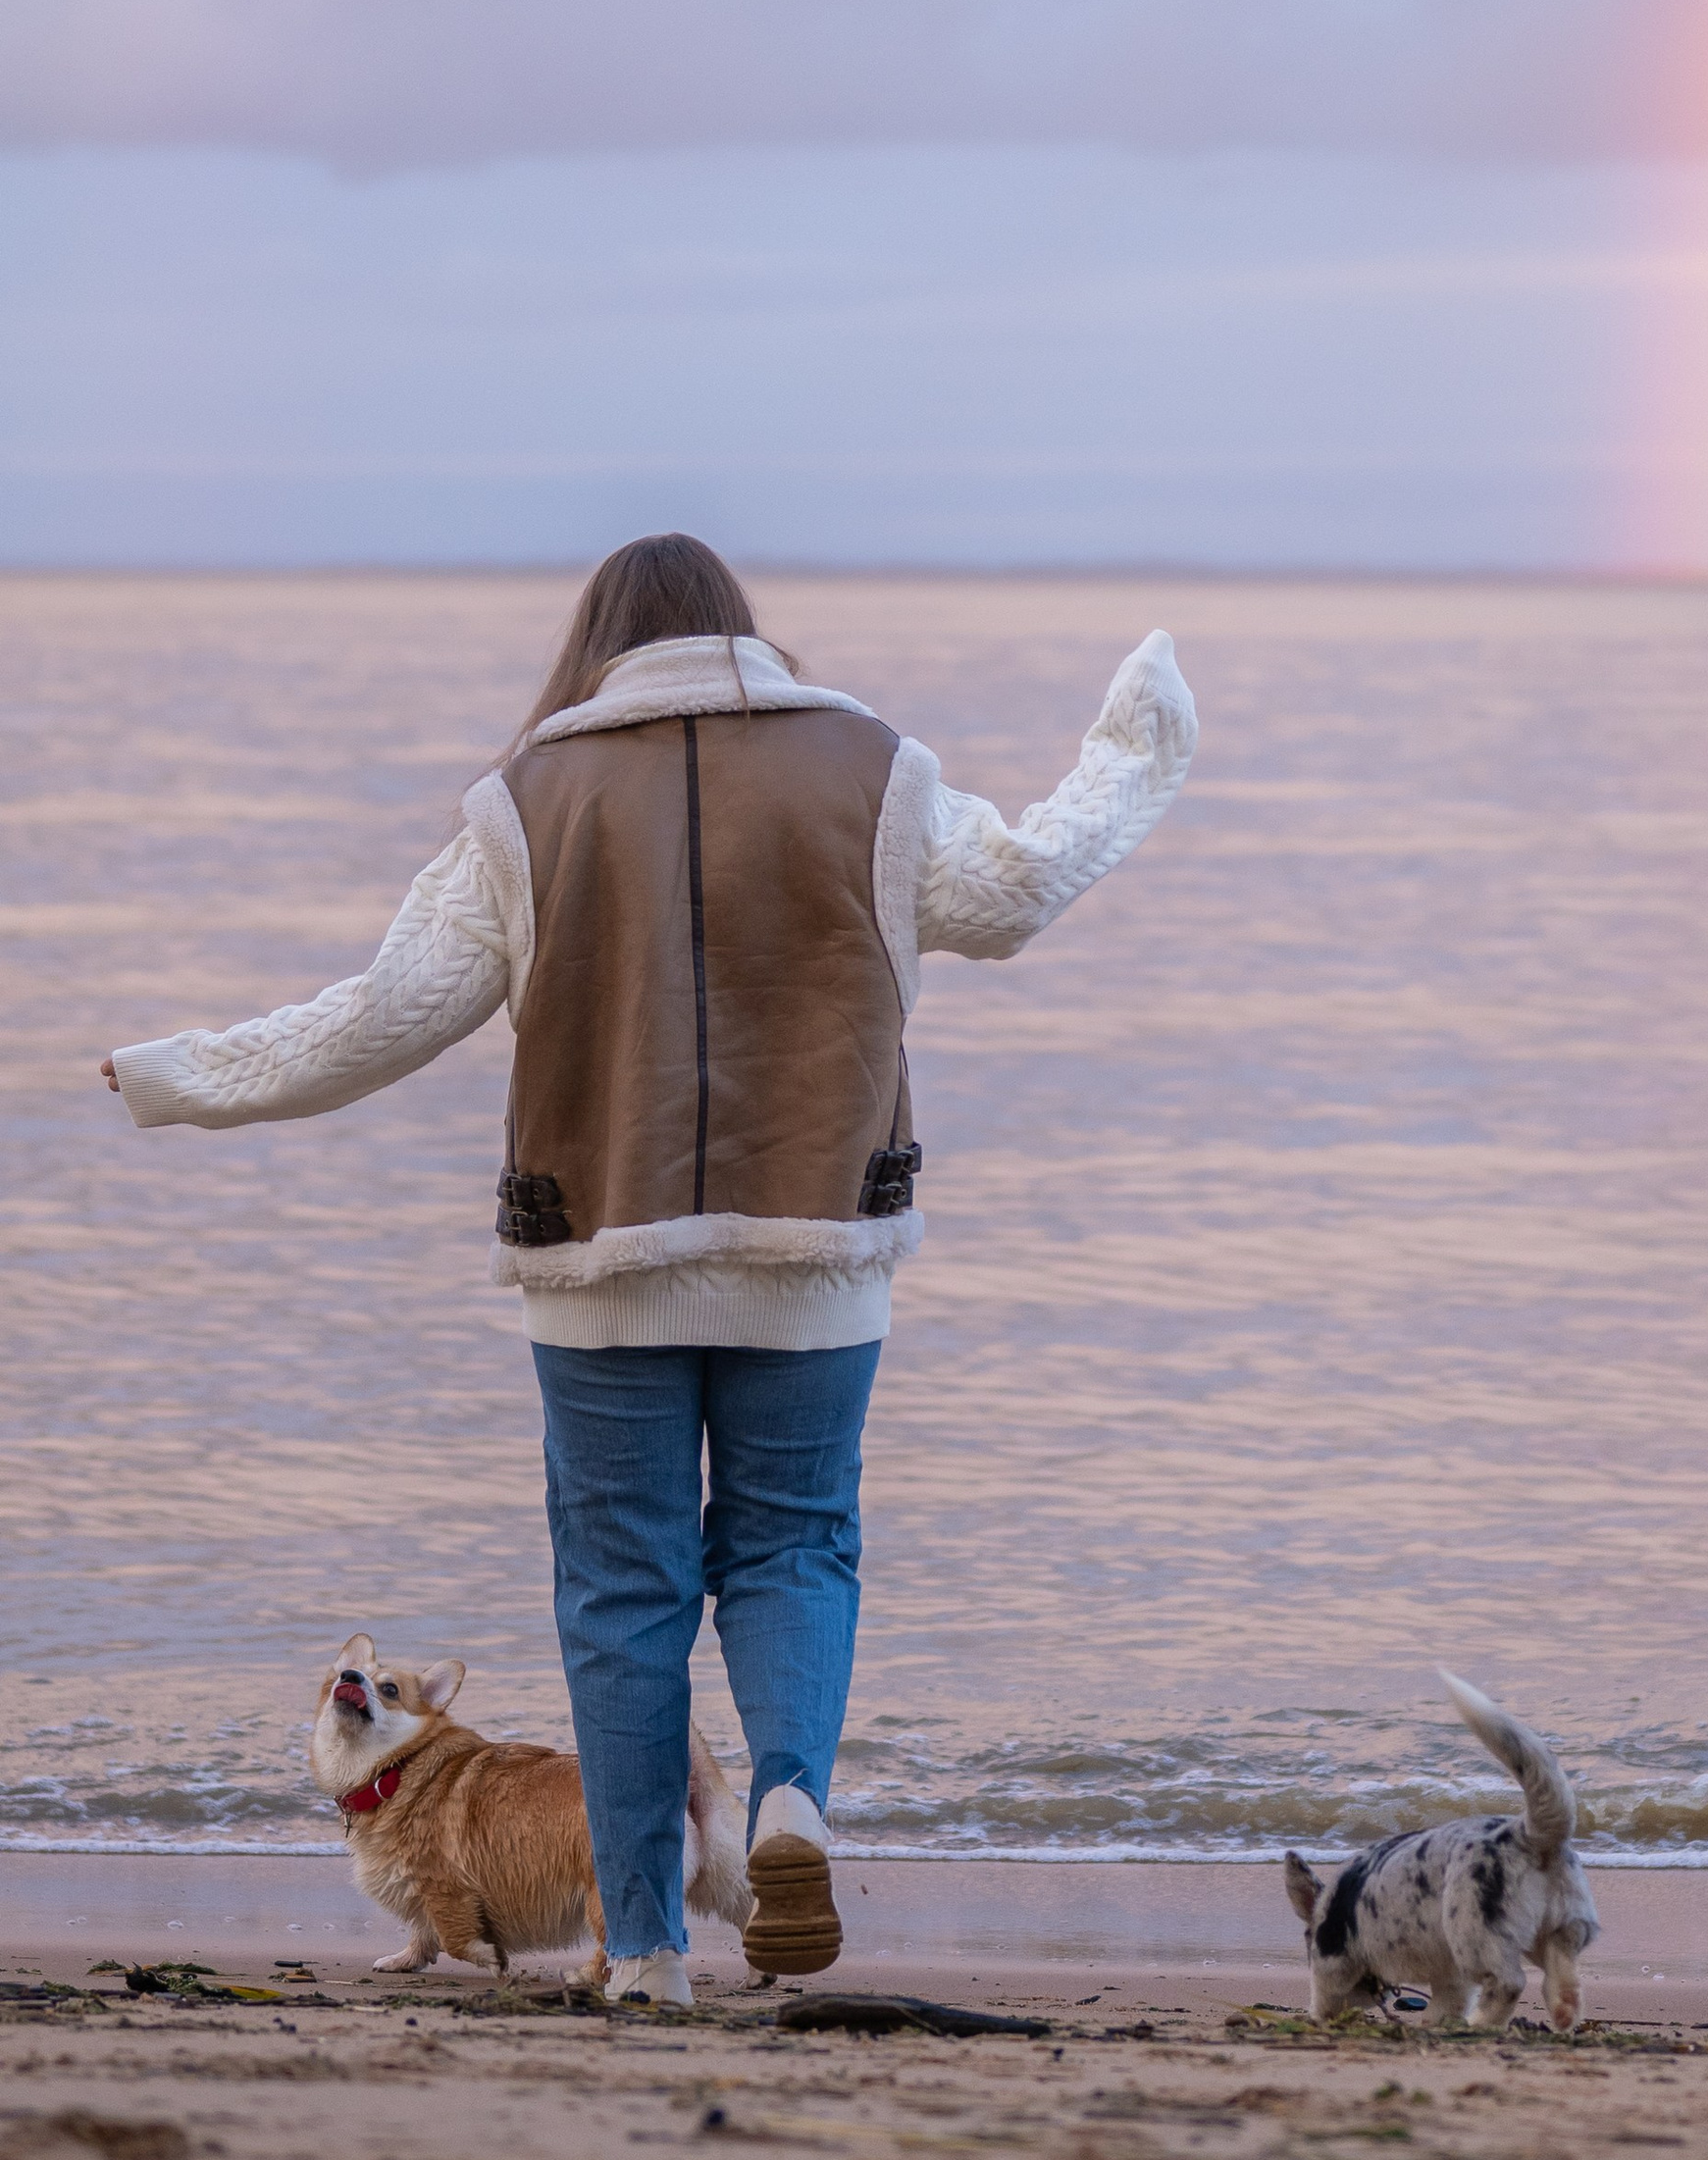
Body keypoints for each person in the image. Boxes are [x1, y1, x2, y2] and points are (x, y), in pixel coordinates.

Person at [101, 535, 1196, 2006]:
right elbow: (1019, 893)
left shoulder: (524, 803)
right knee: (794, 1543)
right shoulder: (880, 770)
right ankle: (791, 1800)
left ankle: (650, 1955)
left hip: (595, 1258)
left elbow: (376, 1022)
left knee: (623, 1591)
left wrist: (180, 1074)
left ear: (596, 644)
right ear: (744, 631)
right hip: (818, 1246)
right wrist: (1138, 740)